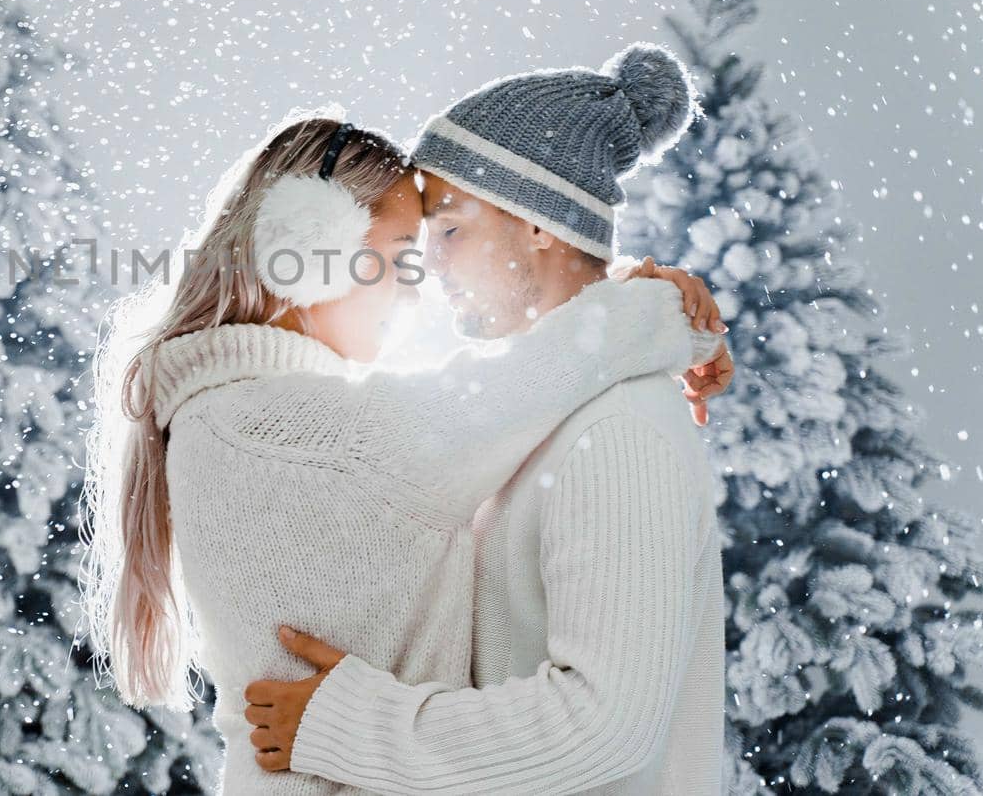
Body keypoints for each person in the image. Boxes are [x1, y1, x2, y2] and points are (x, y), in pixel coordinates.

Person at [79, 101, 730, 795]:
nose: (415, 288)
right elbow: (522, 382)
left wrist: (631, 306)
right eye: (396, 257)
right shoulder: (287, 431)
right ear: (308, 247)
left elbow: (523, 383)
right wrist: (665, 313)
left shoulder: (232, 415)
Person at [247, 44, 733, 793]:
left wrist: (353, 725)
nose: (427, 265)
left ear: (539, 225)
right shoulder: (531, 416)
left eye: (449, 229)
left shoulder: (618, 431)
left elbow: (604, 725)